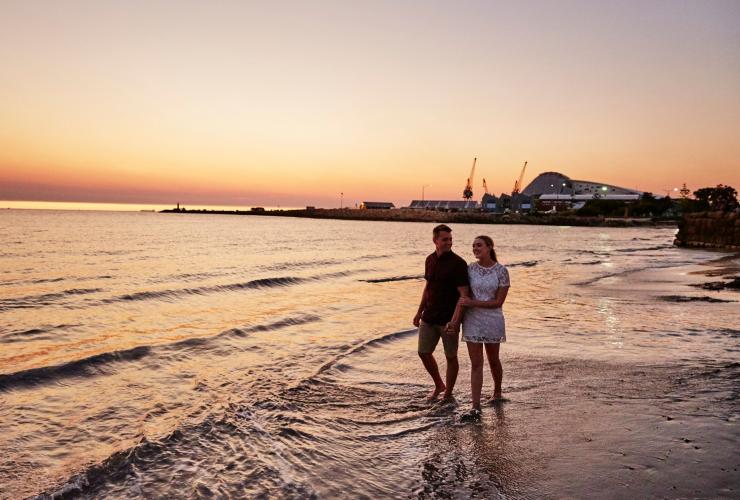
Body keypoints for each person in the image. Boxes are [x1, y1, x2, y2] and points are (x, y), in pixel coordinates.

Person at [447, 235, 510, 421]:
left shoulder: (501, 271)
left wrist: (473, 302)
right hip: (472, 320)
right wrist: (455, 320)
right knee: (476, 364)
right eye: (473, 245)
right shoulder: (469, 269)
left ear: (490, 247)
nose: (475, 248)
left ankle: (497, 391)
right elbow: (462, 296)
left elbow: (499, 302)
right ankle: (475, 406)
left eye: (479, 245)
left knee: (493, 360)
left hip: (492, 319)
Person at [413, 224, 470, 401]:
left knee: (451, 356)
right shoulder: (429, 259)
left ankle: (448, 393)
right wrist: (418, 312)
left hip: (448, 319)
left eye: (450, 239)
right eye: (445, 239)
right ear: (435, 240)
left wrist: (455, 321)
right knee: (423, 352)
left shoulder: (459, 264)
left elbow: (464, 295)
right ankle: (439, 384)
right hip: (429, 316)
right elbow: (428, 287)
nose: (449, 243)